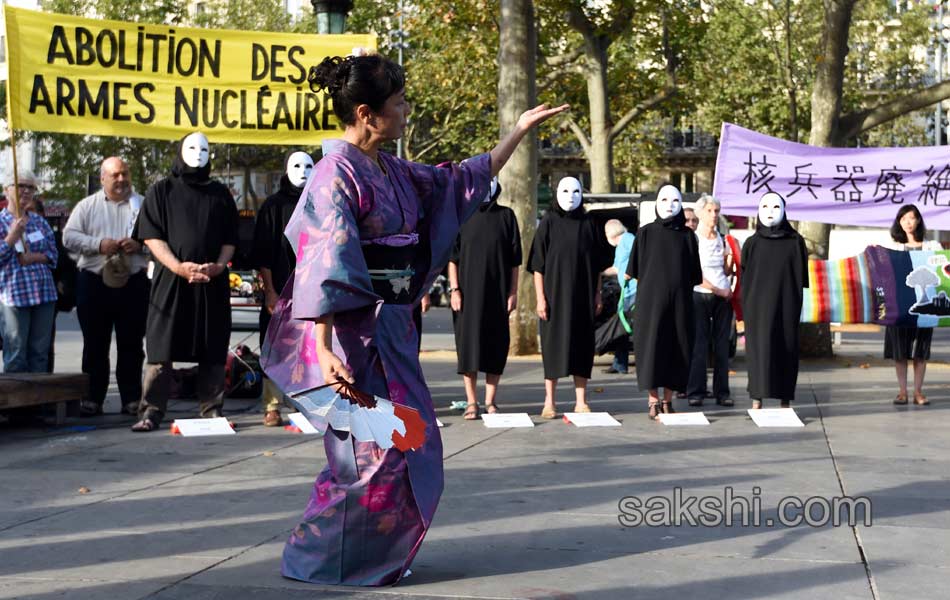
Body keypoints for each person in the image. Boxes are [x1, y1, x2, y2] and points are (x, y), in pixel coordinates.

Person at [259, 53, 567, 586]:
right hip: (351, 341)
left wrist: (515, 133)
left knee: (409, 443)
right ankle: (319, 556)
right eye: (397, 105)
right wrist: (324, 346)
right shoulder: (334, 174)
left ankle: (371, 556)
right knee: (368, 454)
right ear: (366, 113)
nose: (405, 113)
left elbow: (457, 181)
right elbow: (323, 262)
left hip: (393, 332)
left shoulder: (393, 169)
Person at [130, 132, 239, 432]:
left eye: (204, 148)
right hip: (171, 281)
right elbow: (151, 236)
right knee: (160, 346)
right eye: (192, 147)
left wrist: (218, 265)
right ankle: (151, 411)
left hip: (211, 282)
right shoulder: (161, 191)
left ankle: (212, 408)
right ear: (180, 151)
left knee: (213, 344)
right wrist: (178, 267)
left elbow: (231, 238)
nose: (198, 153)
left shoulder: (220, 194)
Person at [63, 157, 148, 417]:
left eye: (125, 174)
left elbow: (161, 237)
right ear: (103, 179)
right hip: (94, 281)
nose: (121, 179)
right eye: (115, 175)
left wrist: (140, 245)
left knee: (132, 344)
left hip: (133, 282)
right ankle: (93, 398)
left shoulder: (143, 205)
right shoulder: (87, 206)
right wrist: (98, 244)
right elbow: (69, 237)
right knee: (95, 344)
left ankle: (132, 398)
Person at [528, 176, 608, 419]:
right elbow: (538, 265)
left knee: (582, 347)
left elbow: (595, 265)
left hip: (583, 296)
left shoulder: (589, 223)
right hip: (554, 297)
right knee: (553, 347)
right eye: (565, 191)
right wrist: (540, 298)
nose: (571, 196)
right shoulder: (549, 222)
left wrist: (597, 293)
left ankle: (581, 400)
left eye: (576, 191)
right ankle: (549, 401)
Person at [448, 176, 521, 419]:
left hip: (497, 293)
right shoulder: (461, 216)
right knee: (469, 348)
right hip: (467, 295)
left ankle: (490, 400)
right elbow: (452, 258)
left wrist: (513, 292)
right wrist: (454, 289)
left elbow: (514, 261)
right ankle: (471, 402)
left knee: (495, 346)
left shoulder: (507, 216)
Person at [627, 184, 701, 419]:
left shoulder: (688, 235)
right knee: (651, 348)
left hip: (680, 303)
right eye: (664, 200)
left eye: (675, 201)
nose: (669, 205)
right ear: (656, 203)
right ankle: (653, 400)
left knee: (677, 348)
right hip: (651, 302)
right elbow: (635, 270)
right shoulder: (646, 232)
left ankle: (668, 400)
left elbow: (693, 273)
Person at [253, 150, 313, 427]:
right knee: (275, 347)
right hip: (281, 288)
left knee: (310, 348)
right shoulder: (273, 207)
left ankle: (305, 401)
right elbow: (263, 253)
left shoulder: (321, 202)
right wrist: (270, 291)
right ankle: (272, 405)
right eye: (297, 165)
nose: (303, 171)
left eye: (308, 165)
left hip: (312, 290)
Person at [741, 192, 808, 409]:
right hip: (757, 306)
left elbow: (801, 278)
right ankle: (757, 398)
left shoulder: (796, 242)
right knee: (759, 349)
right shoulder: (752, 243)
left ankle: (785, 399)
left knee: (785, 347)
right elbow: (746, 276)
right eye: (765, 207)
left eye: (776, 207)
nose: (770, 212)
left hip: (787, 303)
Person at [0, 170, 58, 374]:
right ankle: (16, 405)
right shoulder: (1, 222)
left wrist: (33, 257)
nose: (25, 190)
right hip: (15, 296)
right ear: (6, 190)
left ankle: (37, 404)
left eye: (30, 187)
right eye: (20, 185)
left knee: (40, 353)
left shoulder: (39, 222)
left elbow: (53, 254)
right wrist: (12, 237)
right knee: (15, 353)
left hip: (44, 294)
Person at [884, 205, 941, 406]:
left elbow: (942, 271)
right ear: (899, 222)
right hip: (898, 305)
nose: (908, 222)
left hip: (925, 307)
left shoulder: (932, 246)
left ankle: (918, 392)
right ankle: (902, 392)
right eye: (904, 218)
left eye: (912, 218)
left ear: (918, 221)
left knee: (921, 351)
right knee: (900, 351)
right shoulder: (891, 246)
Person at [686, 194, 734, 407]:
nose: (714, 215)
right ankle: (696, 390)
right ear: (700, 213)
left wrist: (730, 261)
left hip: (723, 296)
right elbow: (693, 273)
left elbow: (724, 269)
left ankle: (722, 392)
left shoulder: (722, 238)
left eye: (716, 211)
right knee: (700, 345)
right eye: (709, 211)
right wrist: (716, 289)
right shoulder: (694, 239)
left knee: (722, 346)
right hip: (701, 294)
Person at [602, 219, 635, 374]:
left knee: (624, 327)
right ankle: (619, 363)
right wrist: (600, 273)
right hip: (627, 292)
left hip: (633, 292)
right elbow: (616, 268)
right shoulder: (622, 244)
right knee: (621, 327)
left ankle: (620, 363)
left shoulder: (628, 240)